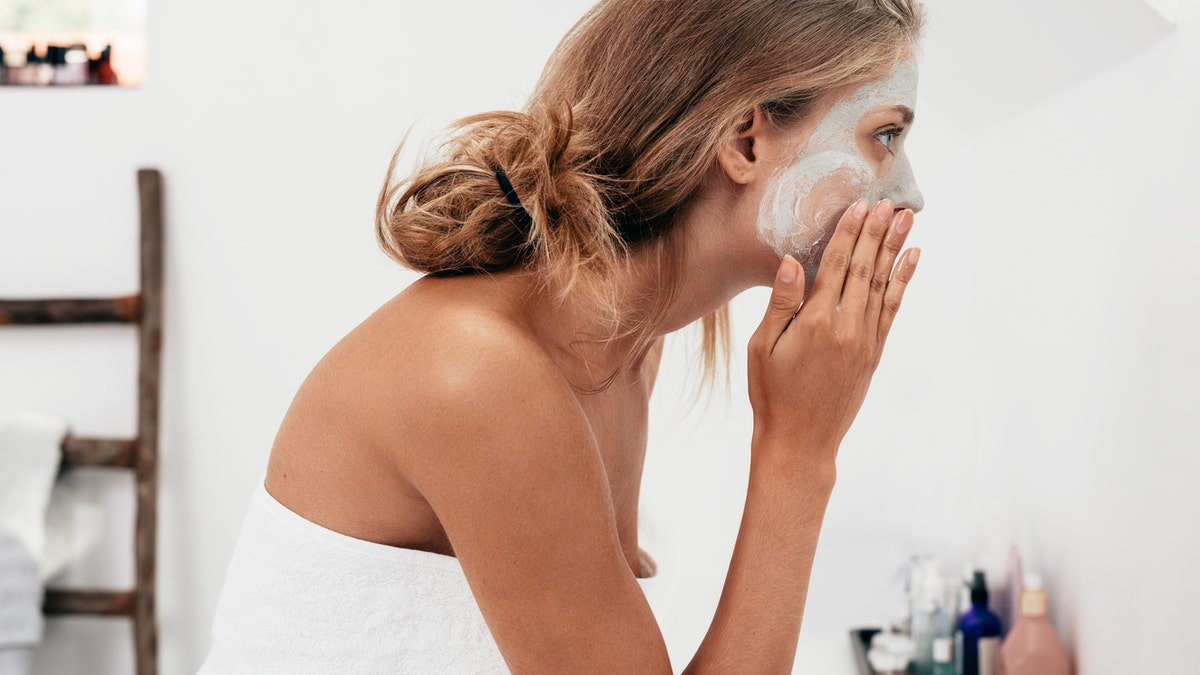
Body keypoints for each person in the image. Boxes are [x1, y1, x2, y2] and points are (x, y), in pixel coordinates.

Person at [200, 0, 927, 672]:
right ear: (744, 140)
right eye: (885, 136)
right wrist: (797, 452)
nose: (910, 192)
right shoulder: (479, 374)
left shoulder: (626, 341)